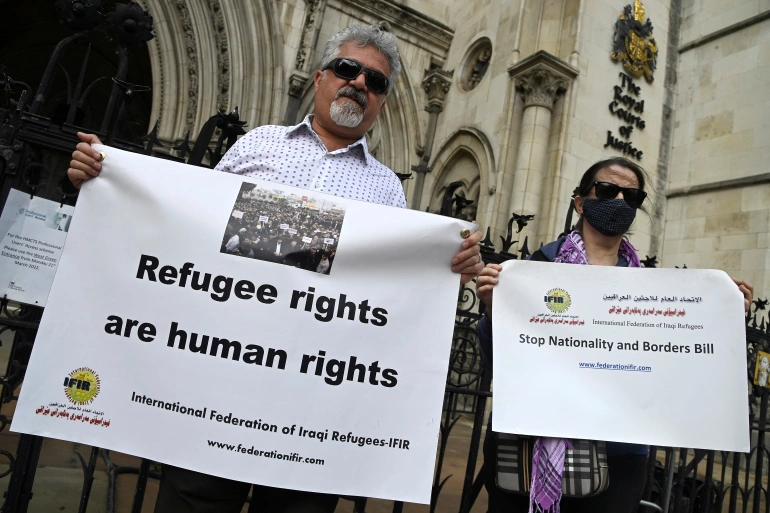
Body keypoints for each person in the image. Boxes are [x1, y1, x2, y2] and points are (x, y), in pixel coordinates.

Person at [68, 24, 485, 513]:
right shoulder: (258, 146)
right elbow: (186, 226)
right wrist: (109, 181)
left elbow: (394, 293)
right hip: (222, 383)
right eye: (348, 69)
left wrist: (452, 266)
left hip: (312, 408)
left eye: (375, 81)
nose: (359, 84)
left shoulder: (389, 191)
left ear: (383, 104)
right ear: (321, 76)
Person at [475, 157, 754, 513]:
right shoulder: (536, 270)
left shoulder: (651, 289)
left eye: (632, 196)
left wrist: (722, 313)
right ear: (581, 201)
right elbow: (496, 361)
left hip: (619, 454)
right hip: (531, 446)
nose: (620, 200)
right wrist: (490, 309)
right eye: (608, 189)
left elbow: (674, 363)